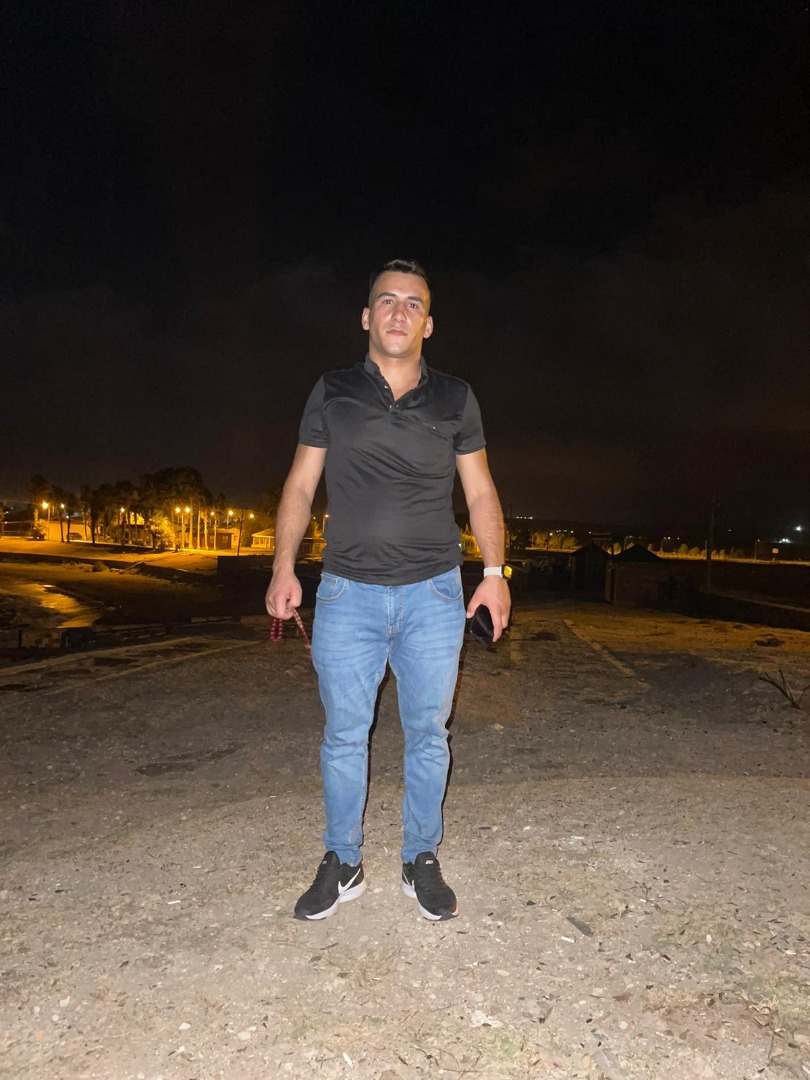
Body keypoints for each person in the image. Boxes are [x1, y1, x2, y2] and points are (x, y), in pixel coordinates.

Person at [265, 259, 510, 922]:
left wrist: (494, 575)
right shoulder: (333, 391)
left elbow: (480, 490)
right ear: (366, 316)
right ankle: (342, 861)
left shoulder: (456, 398)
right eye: (387, 301)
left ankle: (419, 856)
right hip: (347, 594)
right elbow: (299, 486)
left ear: (428, 324)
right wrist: (284, 566)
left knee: (428, 732)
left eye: (413, 303)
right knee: (345, 735)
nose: (400, 312)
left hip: (435, 594)